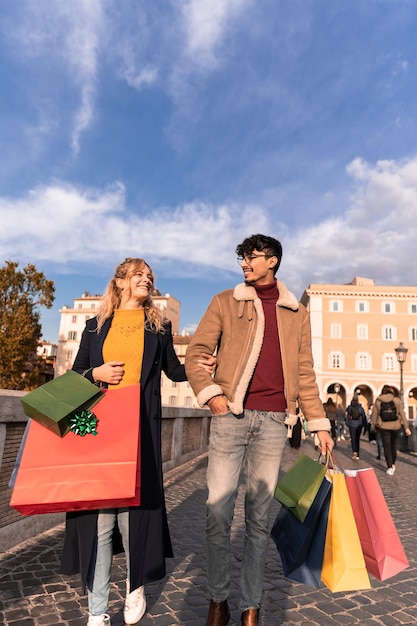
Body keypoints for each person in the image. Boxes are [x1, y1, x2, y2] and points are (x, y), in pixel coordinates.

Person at [185, 234, 334, 626]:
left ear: (272, 261)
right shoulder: (224, 301)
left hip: (273, 423)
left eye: (251, 258)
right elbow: (197, 353)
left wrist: (319, 424)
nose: (244, 264)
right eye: (242, 258)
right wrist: (213, 395)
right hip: (231, 417)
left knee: (258, 520)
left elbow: (304, 372)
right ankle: (219, 600)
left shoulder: (295, 312)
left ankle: (251, 605)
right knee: (218, 514)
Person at [60, 258, 215, 626]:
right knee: (98, 525)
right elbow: (75, 374)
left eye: (150, 277)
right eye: (139, 275)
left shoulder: (158, 326)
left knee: (134, 521)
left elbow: (173, 370)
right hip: (98, 431)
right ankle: (97, 611)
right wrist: (95, 373)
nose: (147, 280)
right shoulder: (95, 326)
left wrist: (202, 365)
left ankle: (135, 587)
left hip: (139, 431)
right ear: (120, 282)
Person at [371, 385, 411, 475]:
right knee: (393, 446)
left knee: (387, 446)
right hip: (395, 426)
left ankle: (389, 466)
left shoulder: (378, 401)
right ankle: (393, 463)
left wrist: (374, 425)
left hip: (383, 427)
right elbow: (403, 414)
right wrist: (406, 427)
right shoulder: (396, 400)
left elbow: (374, 415)